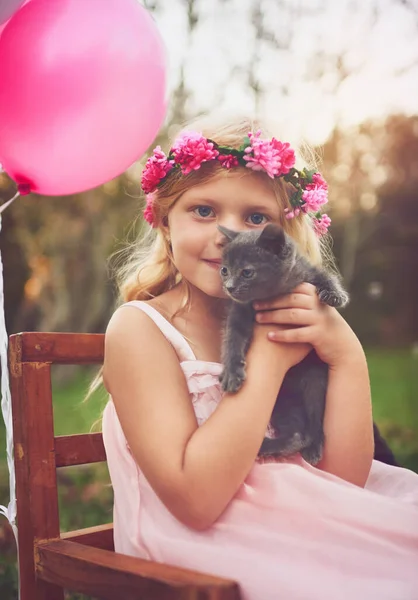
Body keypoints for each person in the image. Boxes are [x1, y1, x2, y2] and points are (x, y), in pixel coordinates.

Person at [102, 115, 418, 600]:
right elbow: (196, 502)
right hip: (207, 544)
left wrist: (347, 356)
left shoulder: (293, 317)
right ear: (165, 222)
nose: (227, 233)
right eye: (203, 210)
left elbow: (344, 479)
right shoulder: (140, 330)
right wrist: (269, 360)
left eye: (255, 218)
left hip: (308, 517)